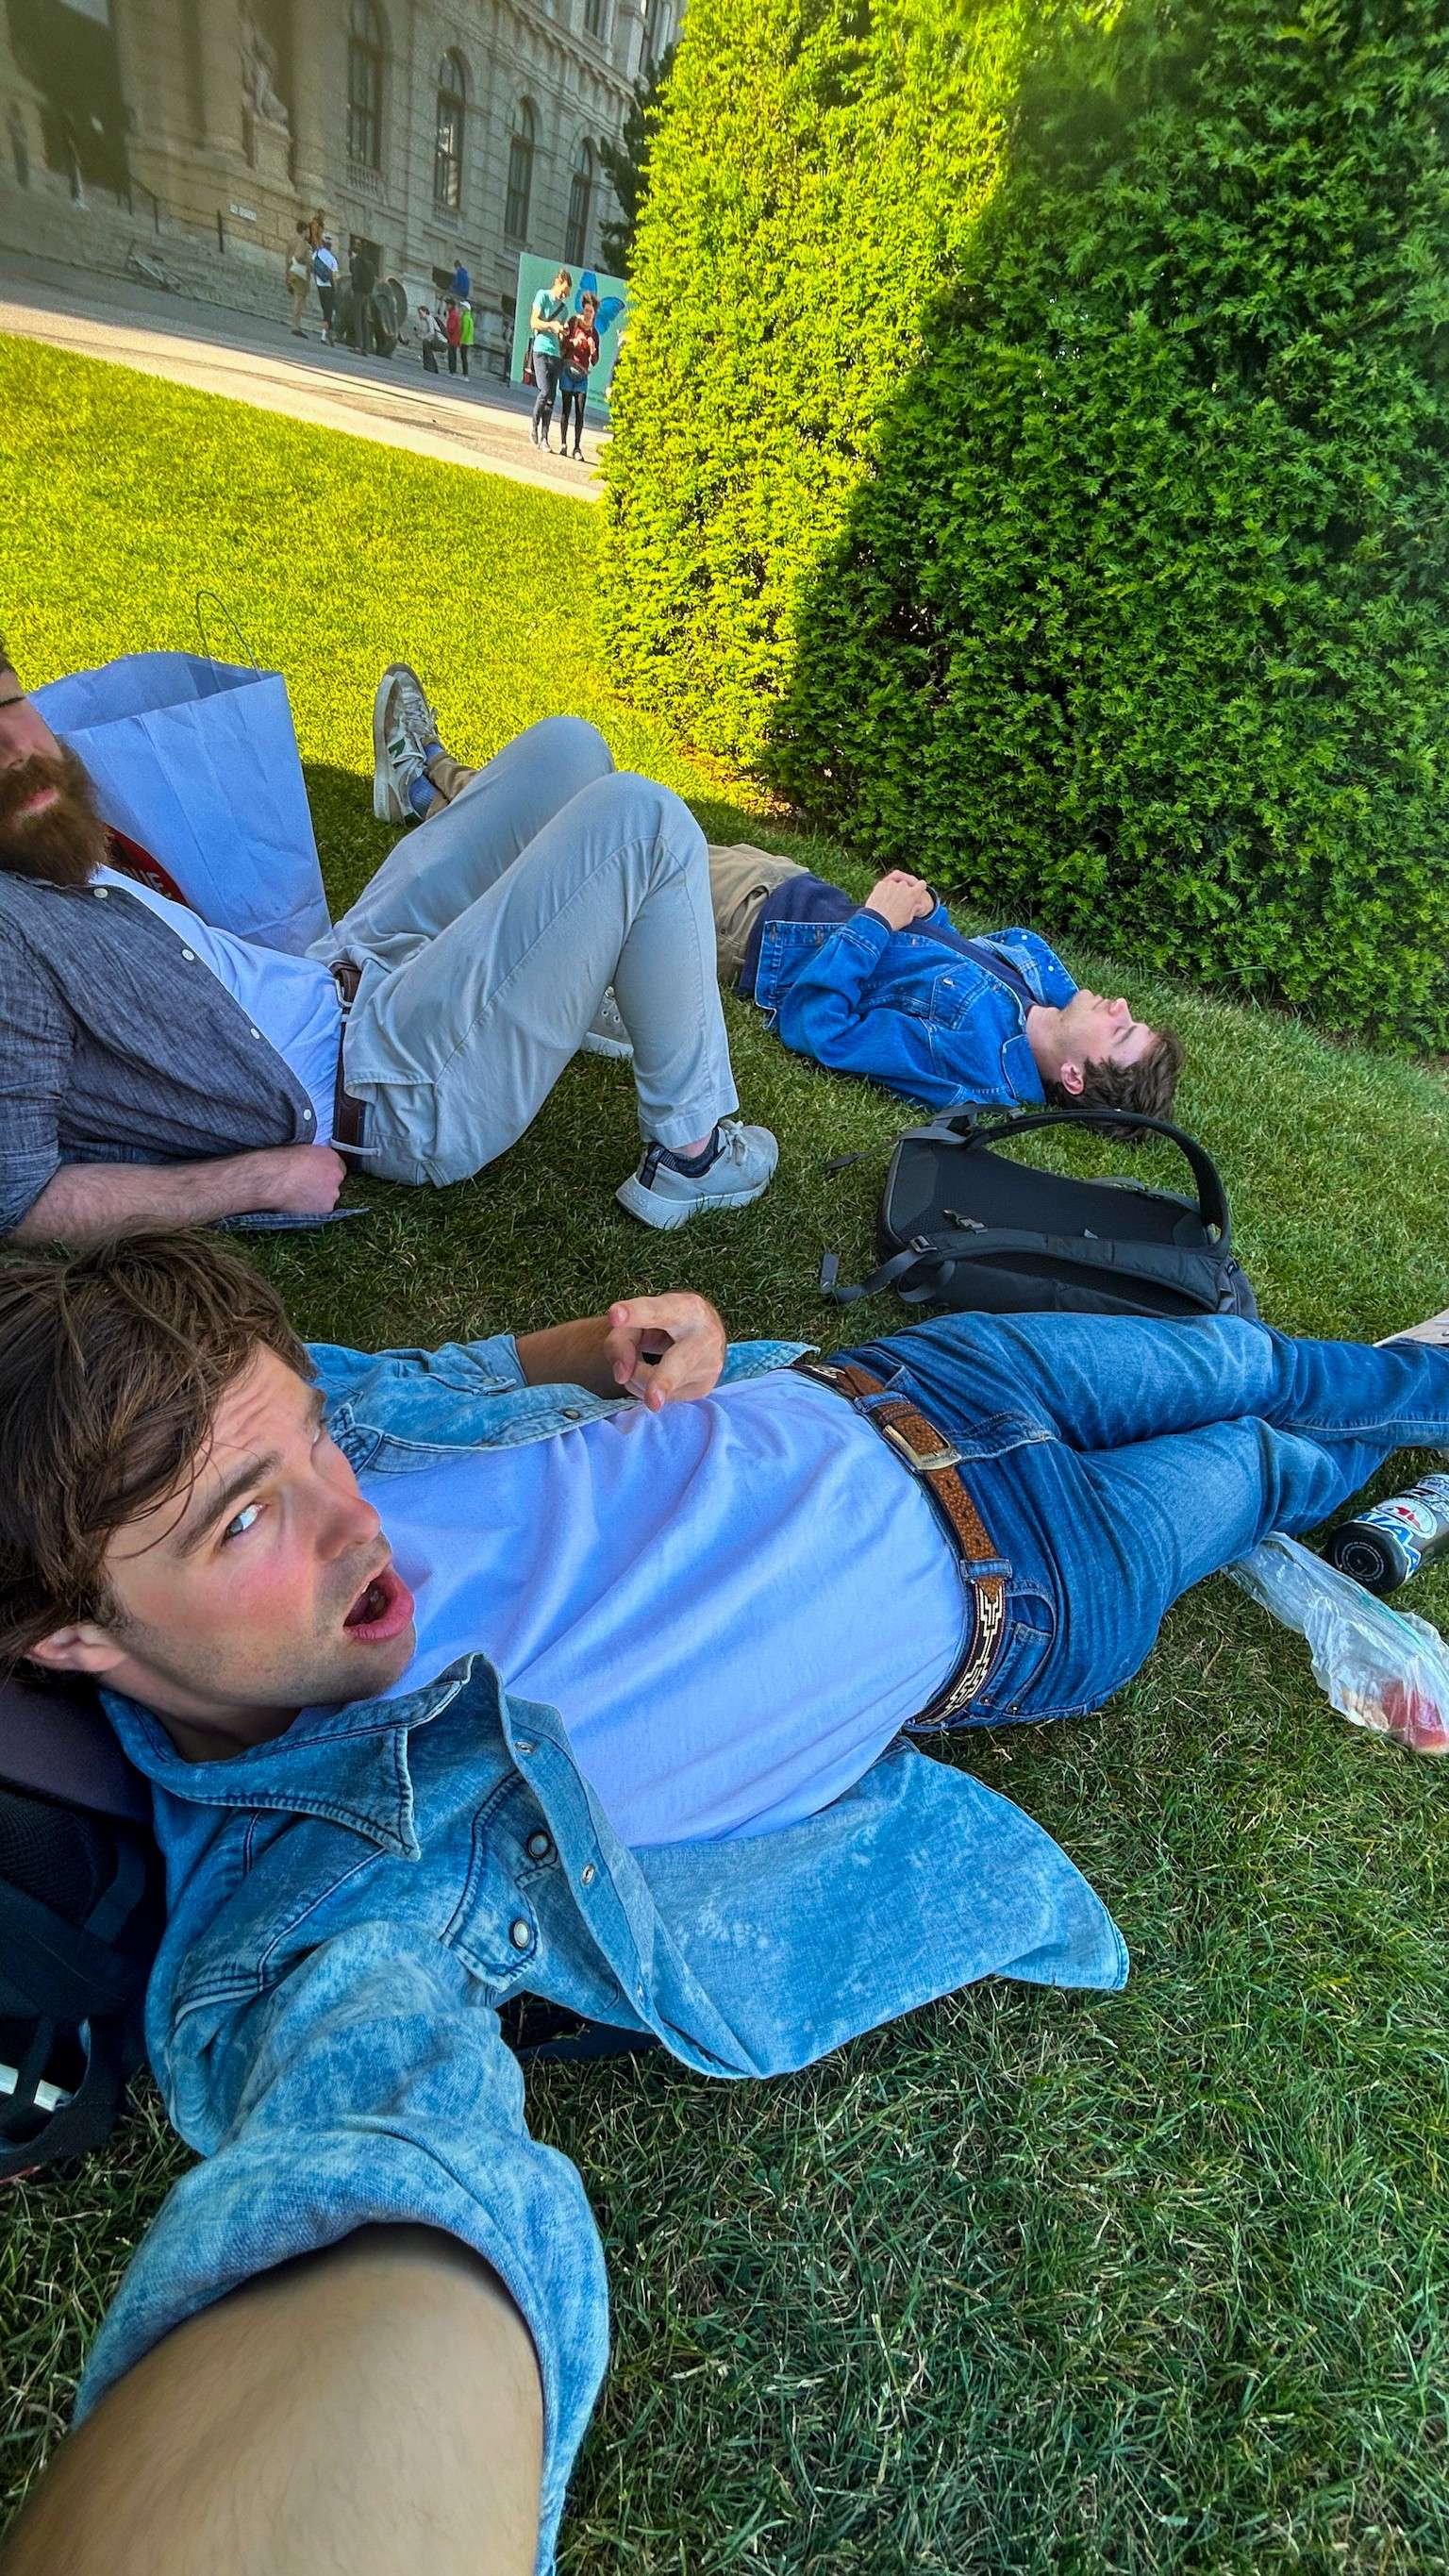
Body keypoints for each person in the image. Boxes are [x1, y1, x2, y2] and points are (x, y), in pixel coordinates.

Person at [5, 1234, 1449, 2574]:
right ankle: (1375, 1443)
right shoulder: (315, 1899)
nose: (350, 1517)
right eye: (246, 1520)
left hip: (909, 1378)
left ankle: (1416, 1381)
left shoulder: (294, 1436)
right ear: (71, 1635)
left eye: (311, 1438)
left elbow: (421, 1382)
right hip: (1037, 1577)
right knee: (1262, 1459)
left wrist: (611, 1339)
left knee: (1265, 1361)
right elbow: (387, 2171)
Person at [0, 641, 778, 1239]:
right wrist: (261, 1181)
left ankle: (575, 982)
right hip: (393, 1088)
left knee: (567, 750)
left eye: (11, 702)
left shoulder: (36, 840)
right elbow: (19, 1195)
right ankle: (692, 1152)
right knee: (639, 822)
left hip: (344, 973)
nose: (15, 745)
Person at [705, 846, 1186, 1117]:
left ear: (1074, 1078)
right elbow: (947, 960)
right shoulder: (1041, 996)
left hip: (751, 924)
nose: (1121, 1005)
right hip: (793, 884)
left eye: (1121, 1031)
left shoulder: (972, 1062)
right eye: (1132, 1018)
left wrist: (876, 922)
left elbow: (820, 1027)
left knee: (638, 830)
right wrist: (929, 913)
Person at [529, 267, 572, 450]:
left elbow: (560, 332)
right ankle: (533, 426)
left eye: (567, 294)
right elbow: (534, 322)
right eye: (563, 291)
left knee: (552, 398)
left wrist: (563, 332)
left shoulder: (564, 309)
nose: (564, 296)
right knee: (544, 391)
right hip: (540, 350)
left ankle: (545, 438)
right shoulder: (543, 296)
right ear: (558, 281)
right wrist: (551, 326)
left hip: (556, 354)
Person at [558, 293, 600, 460]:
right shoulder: (574, 323)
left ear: (594, 313)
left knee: (580, 412)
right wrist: (574, 342)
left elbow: (595, 361)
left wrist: (593, 349)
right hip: (568, 370)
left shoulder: (594, 333)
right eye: (586, 310)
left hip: (582, 375)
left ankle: (577, 447)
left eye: (591, 311)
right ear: (582, 309)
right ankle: (563, 444)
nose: (588, 313)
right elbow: (563, 342)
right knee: (566, 409)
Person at [347, 238, 379, 354]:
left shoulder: (357, 261)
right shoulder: (369, 262)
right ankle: (366, 346)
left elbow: (355, 278)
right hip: (367, 293)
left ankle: (358, 346)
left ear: (352, 254)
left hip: (359, 293)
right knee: (364, 320)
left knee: (357, 319)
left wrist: (354, 287)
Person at [285, 221, 311, 336]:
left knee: (297, 298)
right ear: (305, 230)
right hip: (300, 274)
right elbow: (299, 256)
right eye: (308, 230)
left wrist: (286, 274)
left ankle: (295, 325)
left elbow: (287, 258)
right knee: (299, 299)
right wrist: (308, 261)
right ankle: (296, 326)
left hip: (292, 272)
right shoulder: (303, 243)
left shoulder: (291, 241)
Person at [311, 231, 339, 344]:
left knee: (325, 310)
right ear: (330, 245)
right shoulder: (333, 259)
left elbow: (312, 267)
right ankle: (324, 336)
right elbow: (335, 276)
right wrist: (335, 288)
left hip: (319, 285)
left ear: (322, 242)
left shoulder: (316, 253)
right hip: (329, 287)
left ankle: (329, 333)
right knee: (328, 312)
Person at [417, 302, 443, 374]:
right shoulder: (429, 319)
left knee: (426, 343)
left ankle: (429, 366)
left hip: (440, 340)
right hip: (440, 340)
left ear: (425, 312)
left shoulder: (429, 318)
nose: (420, 315)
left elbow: (431, 332)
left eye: (420, 313)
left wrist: (423, 337)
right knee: (428, 346)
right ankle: (434, 367)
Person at [443, 293, 462, 376]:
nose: (446, 306)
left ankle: (452, 371)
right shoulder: (454, 314)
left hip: (452, 338)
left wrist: (446, 332)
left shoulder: (453, 315)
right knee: (453, 355)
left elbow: (451, 327)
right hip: (455, 338)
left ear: (451, 305)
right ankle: (452, 371)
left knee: (451, 355)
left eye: (447, 304)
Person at [458, 293, 475, 379]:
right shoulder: (470, 318)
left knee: (463, 357)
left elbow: (464, 330)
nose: (461, 308)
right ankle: (465, 375)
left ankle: (465, 375)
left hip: (465, 340)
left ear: (466, 308)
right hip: (468, 340)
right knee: (464, 357)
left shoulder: (465, 318)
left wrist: (461, 340)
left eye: (462, 307)